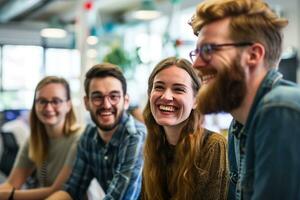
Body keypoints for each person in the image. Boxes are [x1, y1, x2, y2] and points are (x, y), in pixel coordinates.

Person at [189, 0, 300, 199]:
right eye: (196, 52)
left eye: (208, 50)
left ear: (253, 55)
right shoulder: (238, 125)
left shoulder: (280, 109)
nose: (196, 64)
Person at [47, 63, 146, 200]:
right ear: (87, 102)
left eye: (114, 96)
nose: (106, 105)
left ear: (126, 101)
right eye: (97, 97)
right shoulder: (89, 136)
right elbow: (72, 189)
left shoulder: (135, 137)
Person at [142, 57, 228, 200]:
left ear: (196, 100)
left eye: (178, 89)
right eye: (159, 87)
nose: (166, 96)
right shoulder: (151, 144)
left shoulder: (213, 145)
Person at [0, 76, 82, 199]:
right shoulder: (34, 139)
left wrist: (9, 195)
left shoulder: (81, 138)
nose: (48, 108)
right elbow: (12, 184)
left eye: (56, 101)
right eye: (42, 101)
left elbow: (59, 190)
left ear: (68, 105)